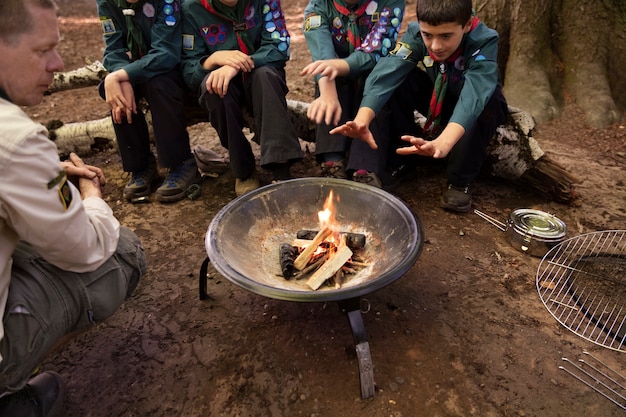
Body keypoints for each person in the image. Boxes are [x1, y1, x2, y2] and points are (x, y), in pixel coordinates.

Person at [0, 1, 147, 415]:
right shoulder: (16, 137)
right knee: (123, 252)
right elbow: (85, 249)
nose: (57, 63)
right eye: (42, 50)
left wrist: (39, 173)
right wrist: (90, 195)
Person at [330, 0, 509, 211]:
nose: (435, 46)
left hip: (476, 107)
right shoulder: (416, 33)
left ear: (467, 25)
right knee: (398, 80)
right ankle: (402, 160)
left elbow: (474, 97)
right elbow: (388, 72)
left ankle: (460, 180)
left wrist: (443, 142)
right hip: (440, 100)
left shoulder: (484, 39)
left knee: (487, 103)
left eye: (446, 36)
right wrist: (362, 119)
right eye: (428, 35)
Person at [180, 0, 303, 196]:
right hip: (223, 82)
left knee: (266, 77)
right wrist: (213, 59)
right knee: (214, 87)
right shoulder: (191, 8)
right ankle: (243, 170)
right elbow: (189, 71)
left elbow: (279, 47)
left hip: (260, 73)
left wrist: (240, 64)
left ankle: (281, 166)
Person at [97, 0, 201, 203]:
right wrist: (120, 76)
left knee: (158, 83)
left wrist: (123, 74)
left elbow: (166, 53)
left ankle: (181, 163)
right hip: (140, 67)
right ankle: (141, 165)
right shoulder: (107, 3)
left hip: (174, 67)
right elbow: (113, 48)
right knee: (116, 89)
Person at [300, 0, 404, 188]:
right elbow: (322, 54)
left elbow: (379, 48)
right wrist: (327, 92)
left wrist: (340, 66)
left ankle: (365, 169)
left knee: (378, 81)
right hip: (336, 78)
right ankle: (332, 161)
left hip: (374, 73)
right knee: (328, 79)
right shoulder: (318, 7)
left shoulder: (390, 2)